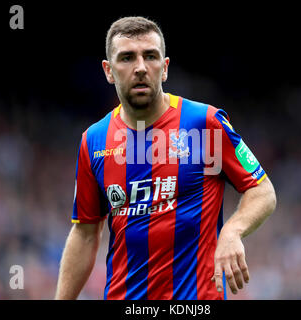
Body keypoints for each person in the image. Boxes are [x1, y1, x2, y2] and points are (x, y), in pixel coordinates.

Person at [55, 16, 276, 300]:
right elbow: (85, 233)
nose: (140, 68)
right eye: (127, 58)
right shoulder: (93, 141)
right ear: (108, 71)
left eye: (150, 56)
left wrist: (233, 231)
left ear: (165, 67)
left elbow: (263, 190)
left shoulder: (205, 122)